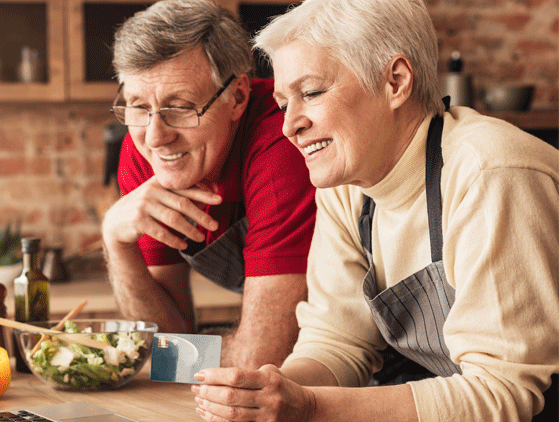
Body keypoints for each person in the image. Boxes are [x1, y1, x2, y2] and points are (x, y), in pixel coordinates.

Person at [191, 0, 559, 420]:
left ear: (396, 81)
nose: (289, 124)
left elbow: (503, 392)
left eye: (310, 93)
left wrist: (308, 406)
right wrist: (270, 394)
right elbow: (336, 342)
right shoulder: (348, 186)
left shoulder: (490, 173)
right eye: (282, 102)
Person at [102, 0, 317, 369]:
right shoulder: (143, 154)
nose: (155, 137)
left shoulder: (280, 146)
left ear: (237, 97)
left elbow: (259, 363)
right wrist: (115, 242)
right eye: (138, 106)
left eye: (180, 107)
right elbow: (166, 344)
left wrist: (184, 353)